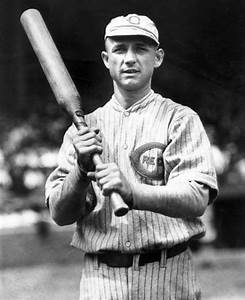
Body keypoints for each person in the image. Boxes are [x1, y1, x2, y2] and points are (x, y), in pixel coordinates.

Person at [45, 13, 218, 300]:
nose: (129, 58)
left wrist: (133, 192)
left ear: (158, 57)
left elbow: (197, 199)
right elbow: (60, 214)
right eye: (119, 49)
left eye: (140, 48)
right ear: (105, 58)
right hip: (101, 280)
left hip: (169, 276)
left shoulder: (180, 119)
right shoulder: (82, 131)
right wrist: (79, 171)